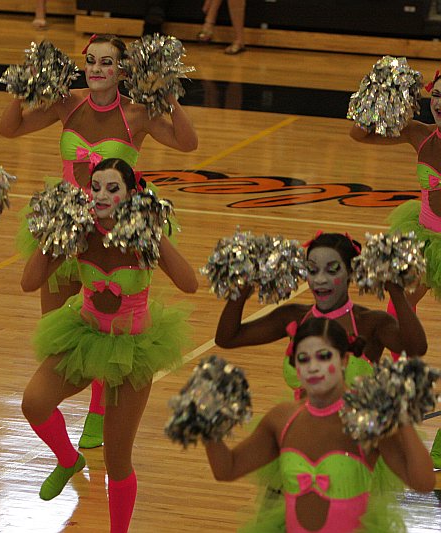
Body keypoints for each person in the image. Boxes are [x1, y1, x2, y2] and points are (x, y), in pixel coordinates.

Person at [0, 33, 198, 448]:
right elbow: (9, 129)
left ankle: (99, 408)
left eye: (106, 62)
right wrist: (22, 88)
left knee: (109, 318)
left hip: (114, 232)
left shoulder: (137, 114)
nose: (96, 69)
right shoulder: (66, 104)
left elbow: (187, 142)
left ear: (123, 71)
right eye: (90, 61)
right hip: (68, 227)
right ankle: (62, 432)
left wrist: (170, 96)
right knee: (57, 329)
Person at [20, 158, 197, 532]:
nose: (101, 195)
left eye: (112, 188)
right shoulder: (81, 231)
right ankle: (68, 460)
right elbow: (29, 281)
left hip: (131, 351)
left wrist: (155, 234)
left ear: (130, 194)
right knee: (34, 402)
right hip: (84, 337)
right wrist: (53, 233)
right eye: (95, 187)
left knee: (117, 462)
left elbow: (189, 283)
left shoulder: (142, 236)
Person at [202, 317, 436, 532]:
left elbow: (423, 482)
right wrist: (205, 419)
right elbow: (227, 469)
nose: (313, 367)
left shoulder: (367, 419)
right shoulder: (281, 419)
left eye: (324, 356)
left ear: (344, 359)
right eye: (303, 359)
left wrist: (402, 418)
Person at [349, 70, 441, 468]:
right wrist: (378, 92)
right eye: (437, 95)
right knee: (396, 307)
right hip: (425, 240)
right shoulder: (419, 134)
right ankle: (375, 389)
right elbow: (359, 134)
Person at [215, 231, 426, 397]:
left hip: (356, 436)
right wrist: (241, 290)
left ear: (351, 273)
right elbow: (227, 338)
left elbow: (416, 348)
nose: (320, 280)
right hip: (306, 432)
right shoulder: (293, 317)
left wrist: (396, 291)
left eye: (332, 270)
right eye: (312, 270)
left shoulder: (370, 323)